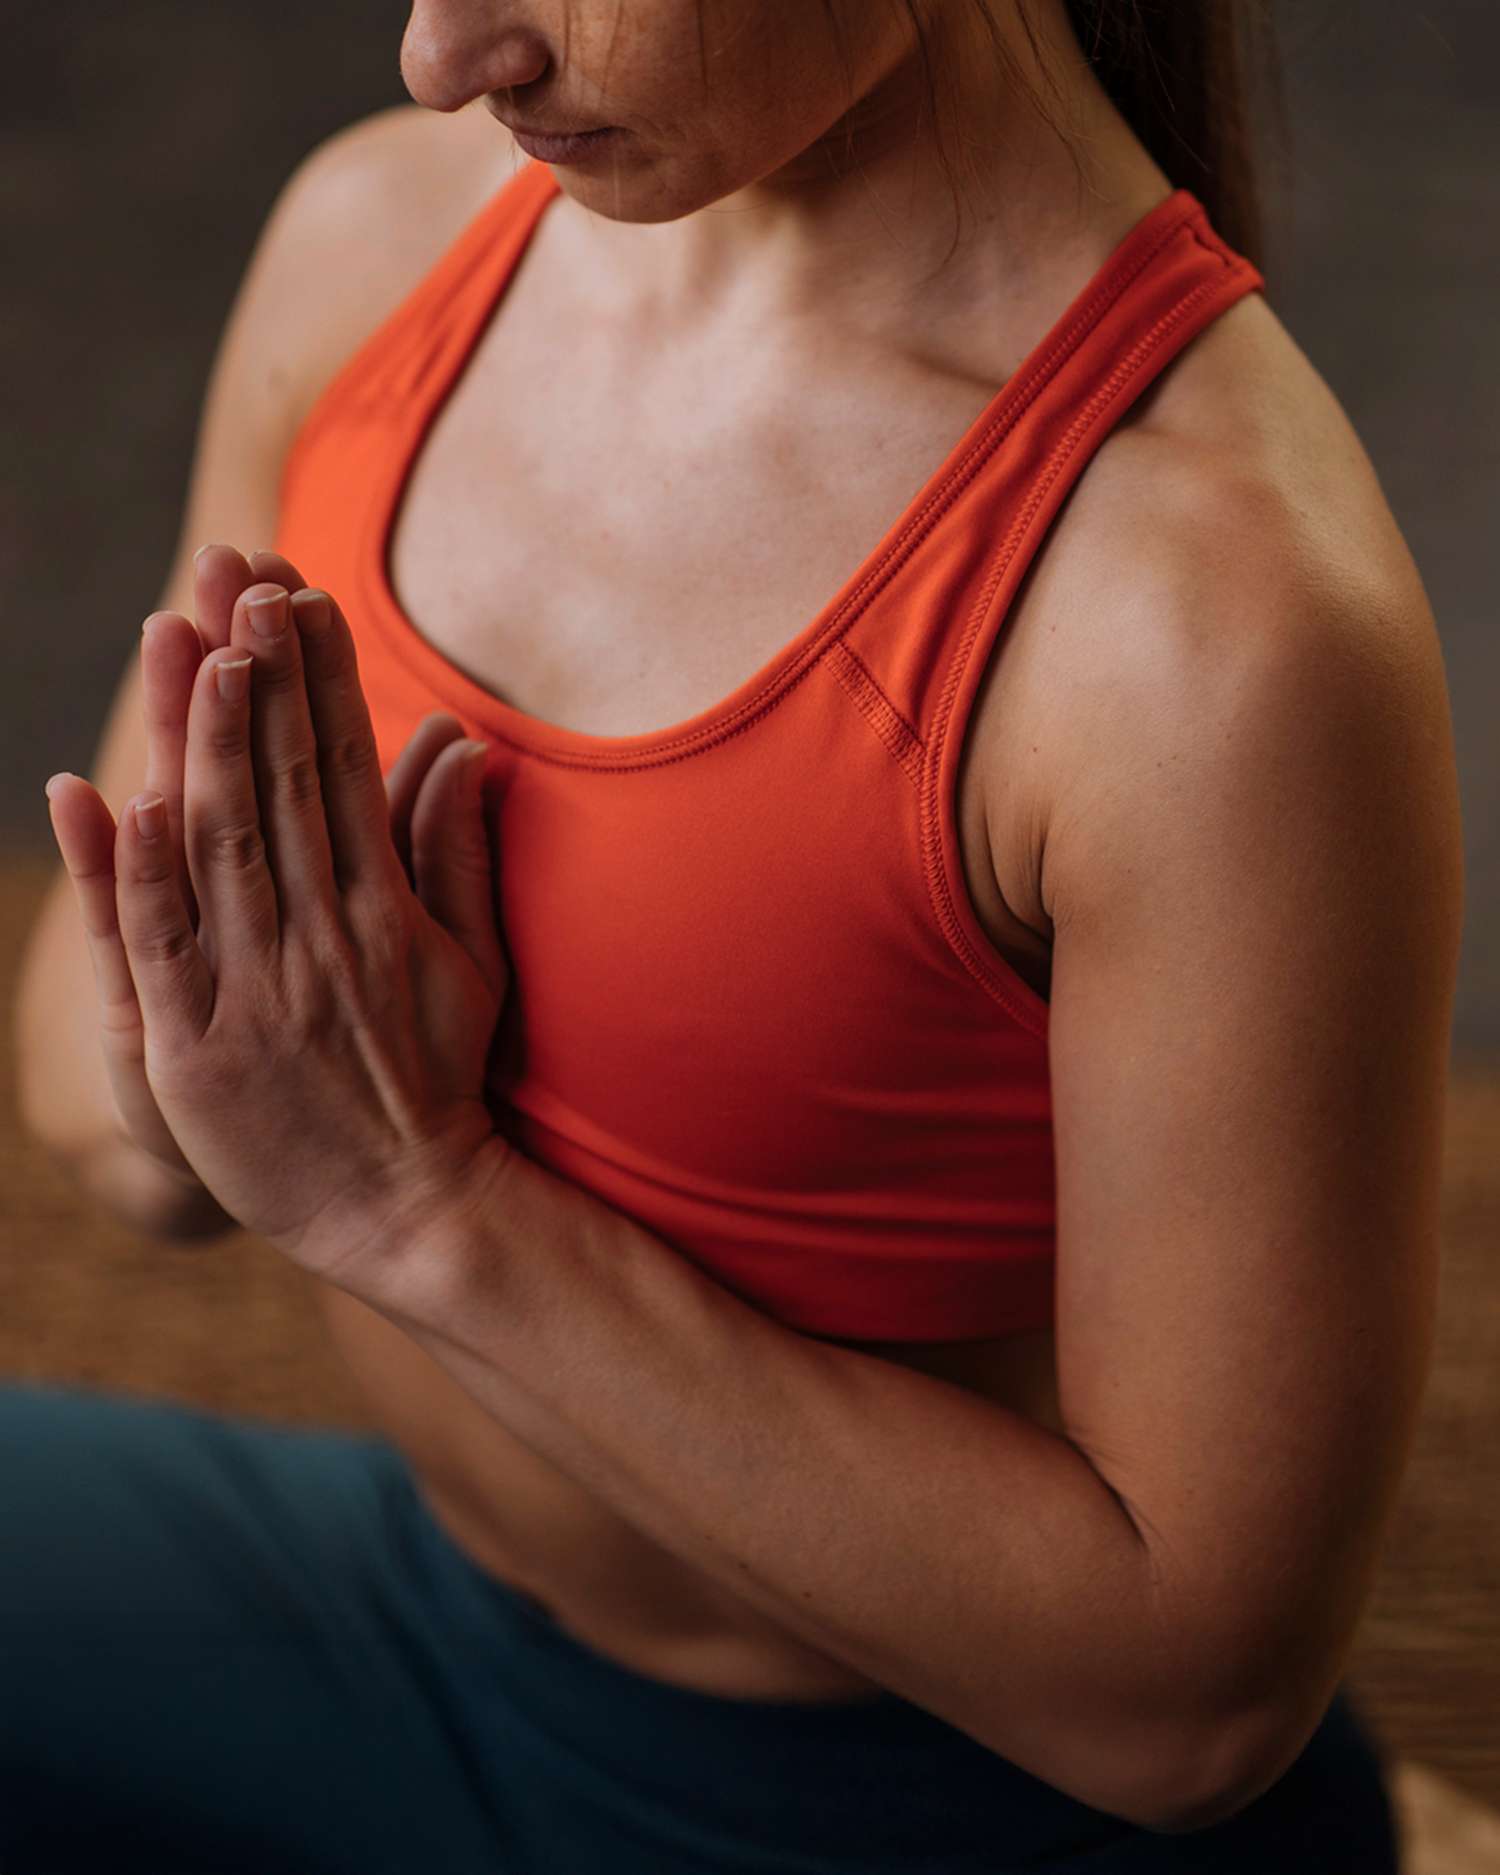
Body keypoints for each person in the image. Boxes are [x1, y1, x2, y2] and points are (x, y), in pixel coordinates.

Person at [9, 1, 1463, 1869]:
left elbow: (1187, 1710)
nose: (444, 54)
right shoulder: (378, 246)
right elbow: (90, 1113)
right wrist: (212, 1065)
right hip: (419, 1629)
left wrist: (415, 1207)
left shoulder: (1213, 627)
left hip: (910, 1805)